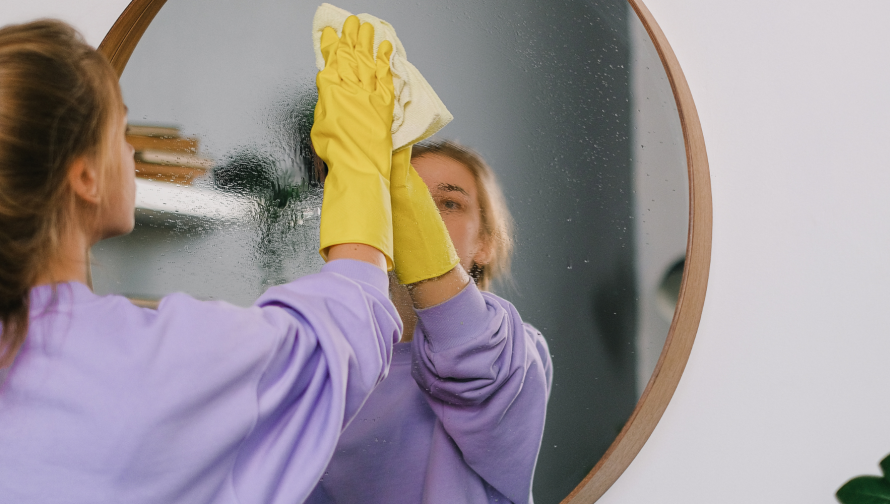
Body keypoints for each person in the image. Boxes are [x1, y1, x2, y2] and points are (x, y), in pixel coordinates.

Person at [0, 18, 401, 504]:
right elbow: (339, 339)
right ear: (85, 176)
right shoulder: (151, 361)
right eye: (119, 130)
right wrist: (362, 167)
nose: (129, 149)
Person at [305, 140, 553, 504]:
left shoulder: (514, 351)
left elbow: (470, 357)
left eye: (450, 203)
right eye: (404, 199)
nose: (423, 217)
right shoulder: (328, 360)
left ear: (484, 243)